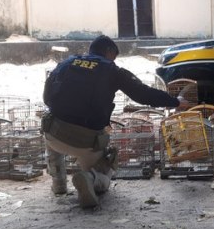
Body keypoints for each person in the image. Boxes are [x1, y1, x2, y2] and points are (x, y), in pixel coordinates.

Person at [42, 35, 188, 208]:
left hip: (54, 135)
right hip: (86, 143)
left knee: (52, 126)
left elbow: (46, 97)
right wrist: (176, 101)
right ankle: (91, 178)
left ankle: (59, 184)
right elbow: (143, 94)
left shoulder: (66, 63)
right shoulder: (112, 71)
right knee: (107, 162)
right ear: (110, 52)